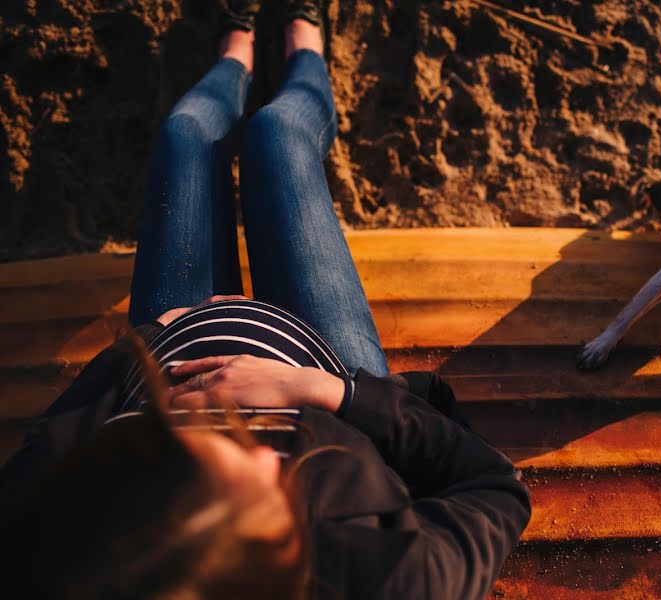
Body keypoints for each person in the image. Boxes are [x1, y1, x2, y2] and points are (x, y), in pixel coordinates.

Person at [0, 2, 531, 598]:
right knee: (277, 134)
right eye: (268, 489)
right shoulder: (395, 580)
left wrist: (143, 345)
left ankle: (236, 59)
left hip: (173, 337)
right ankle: (304, 51)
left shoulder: (49, 565)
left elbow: (38, 455)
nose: (260, 453)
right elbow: (495, 486)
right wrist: (321, 392)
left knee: (182, 136)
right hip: (323, 360)